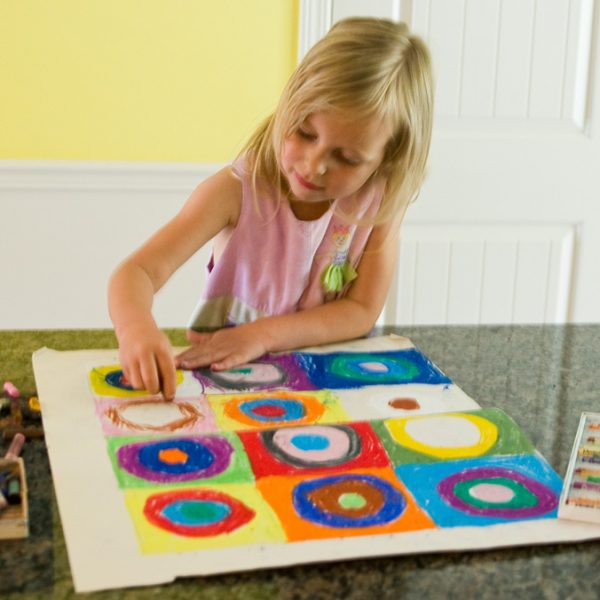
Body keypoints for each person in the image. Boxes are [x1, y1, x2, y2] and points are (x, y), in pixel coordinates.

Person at [108, 17, 434, 399]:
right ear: (289, 105)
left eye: (347, 157)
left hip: (330, 386)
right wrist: (136, 331)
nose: (314, 165)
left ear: (387, 159)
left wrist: (263, 335)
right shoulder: (234, 191)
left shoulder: (379, 201)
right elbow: (137, 271)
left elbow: (362, 308)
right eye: (305, 133)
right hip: (231, 384)